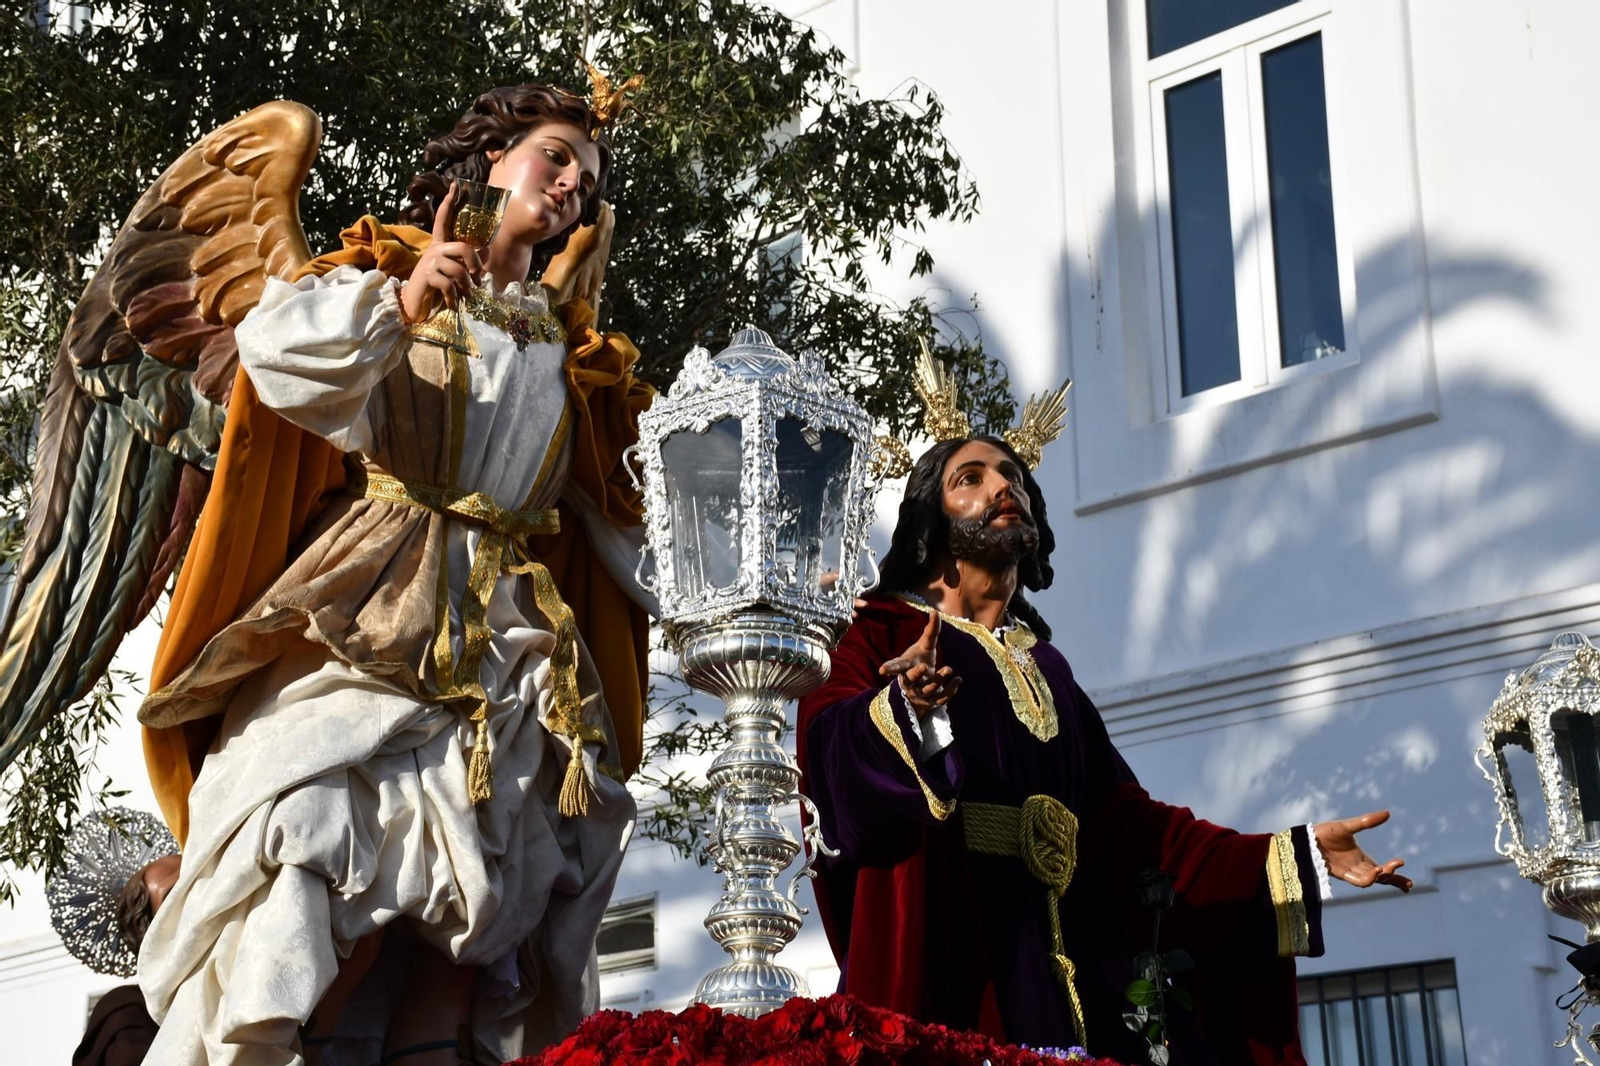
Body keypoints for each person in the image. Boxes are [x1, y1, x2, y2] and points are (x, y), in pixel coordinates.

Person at [128, 79, 654, 1066]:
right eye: (555, 155)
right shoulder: (381, 272)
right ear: (493, 159)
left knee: (481, 884)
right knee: (315, 822)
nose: (573, 182)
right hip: (372, 594)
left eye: (588, 178)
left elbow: (621, 517)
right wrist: (403, 303)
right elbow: (274, 356)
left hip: (505, 635)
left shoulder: (578, 355)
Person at [796, 424, 1411, 1066]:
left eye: (1013, 476)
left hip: (1076, 965)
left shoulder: (1049, 669)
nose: (1004, 484)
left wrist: (1293, 855)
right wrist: (906, 709)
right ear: (931, 518)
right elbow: (826, 749)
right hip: (960, 949)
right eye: (970, 478)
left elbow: (1130, 831)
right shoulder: (876, 632)